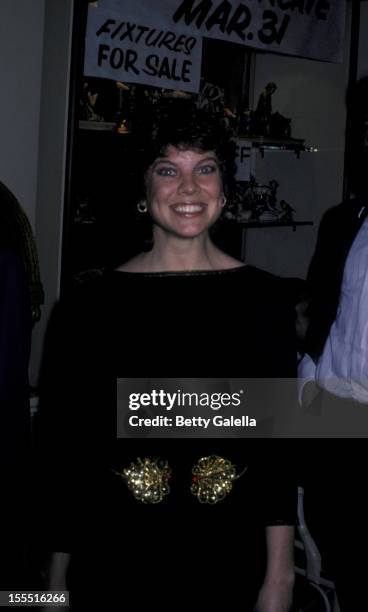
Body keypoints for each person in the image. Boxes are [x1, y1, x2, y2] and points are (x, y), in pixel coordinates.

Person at [35, 103, 297, 611]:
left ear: (225, 187)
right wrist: (53, 580)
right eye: (167, 169)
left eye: (205, 167)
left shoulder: (264, 302)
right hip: (113, 563)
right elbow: (63, 454)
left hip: (227, 566)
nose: (189, 188)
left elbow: (276, 453)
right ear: (144, 188)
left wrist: (279, 579)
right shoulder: (87, 307)